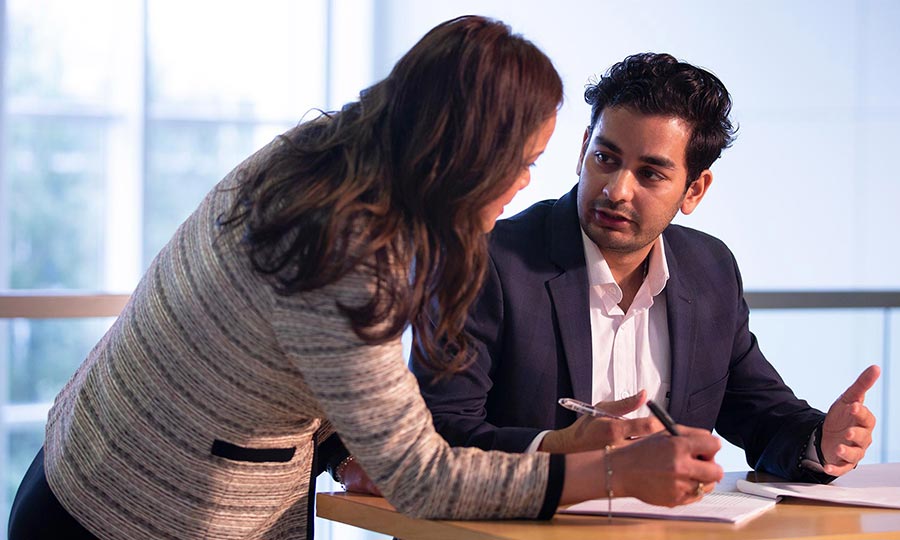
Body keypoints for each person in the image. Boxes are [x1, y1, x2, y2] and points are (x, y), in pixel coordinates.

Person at [7, 21, 725, 540]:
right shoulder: (347, 256)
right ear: (466, 154)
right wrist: (616, 475)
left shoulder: (322, 153)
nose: (527, 184)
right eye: (523, 160)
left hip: (90, 460)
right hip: (131, 512)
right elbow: (423, 479)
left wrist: (357, 444)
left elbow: (301, 364)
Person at [337, 52, 881, 494]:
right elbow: (440, 432)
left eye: (650, 174)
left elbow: (759, 412)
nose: (617, 190)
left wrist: (822, 441)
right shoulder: (485, 260)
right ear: (582, 151)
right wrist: (561, 450)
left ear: (694, 190)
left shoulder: (710, 269)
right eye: (606, 158)